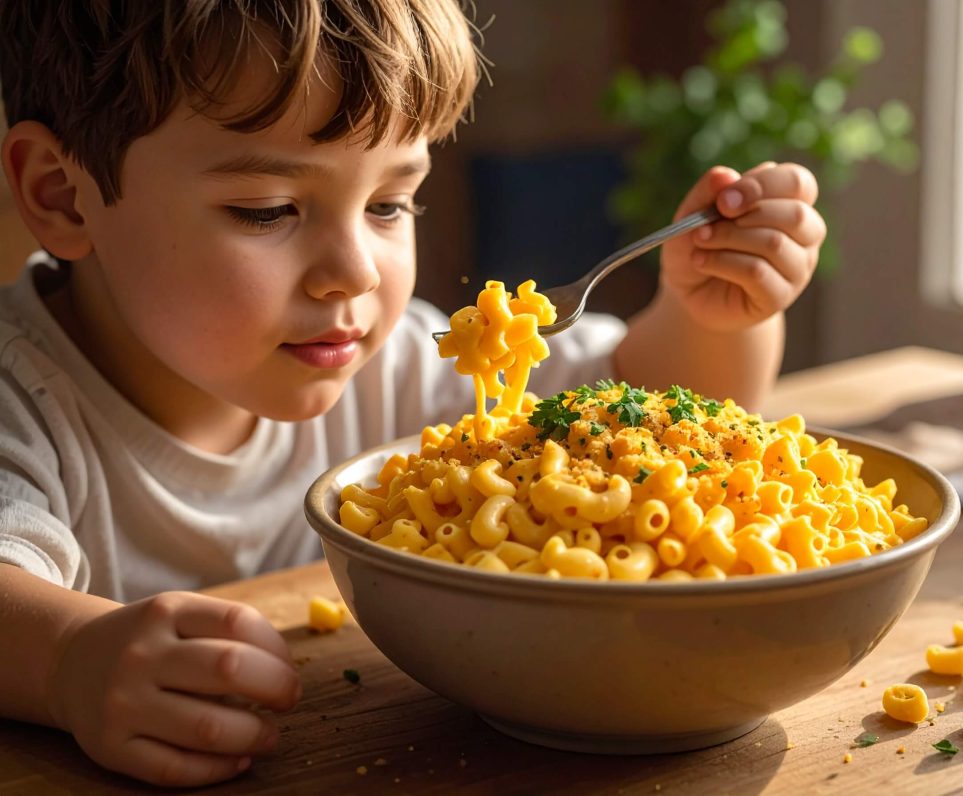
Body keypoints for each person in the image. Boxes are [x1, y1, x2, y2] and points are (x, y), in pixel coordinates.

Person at [0, 0, 825, 787]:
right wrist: (70, 661)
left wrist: (715, 316)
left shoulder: (388, 361)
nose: (355, 272)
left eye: (391, 203)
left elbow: (635, 413)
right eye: (268, 210)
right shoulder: (21, 393)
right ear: (60, 194)